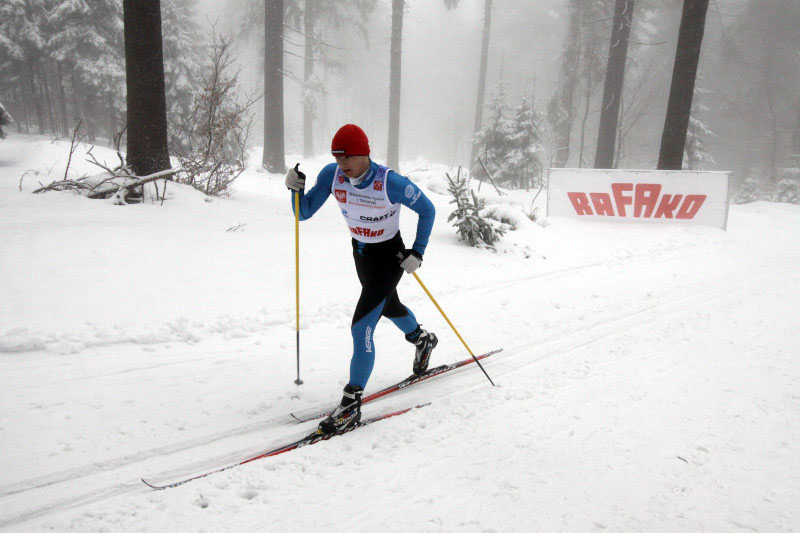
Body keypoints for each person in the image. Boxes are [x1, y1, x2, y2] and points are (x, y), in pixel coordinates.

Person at [285, 124, 438, 434]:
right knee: (388, 307)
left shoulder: (390, 182)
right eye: (338, 160)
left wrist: (417, 252)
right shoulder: (333, 175)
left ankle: (351, 402)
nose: (343, 167)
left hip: (389, 257)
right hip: (362, 255)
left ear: (364, 154)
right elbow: (303, 213)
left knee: (361, 325)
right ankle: (423, 339)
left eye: (347, 160)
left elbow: (428, 209)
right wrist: (295, 190)